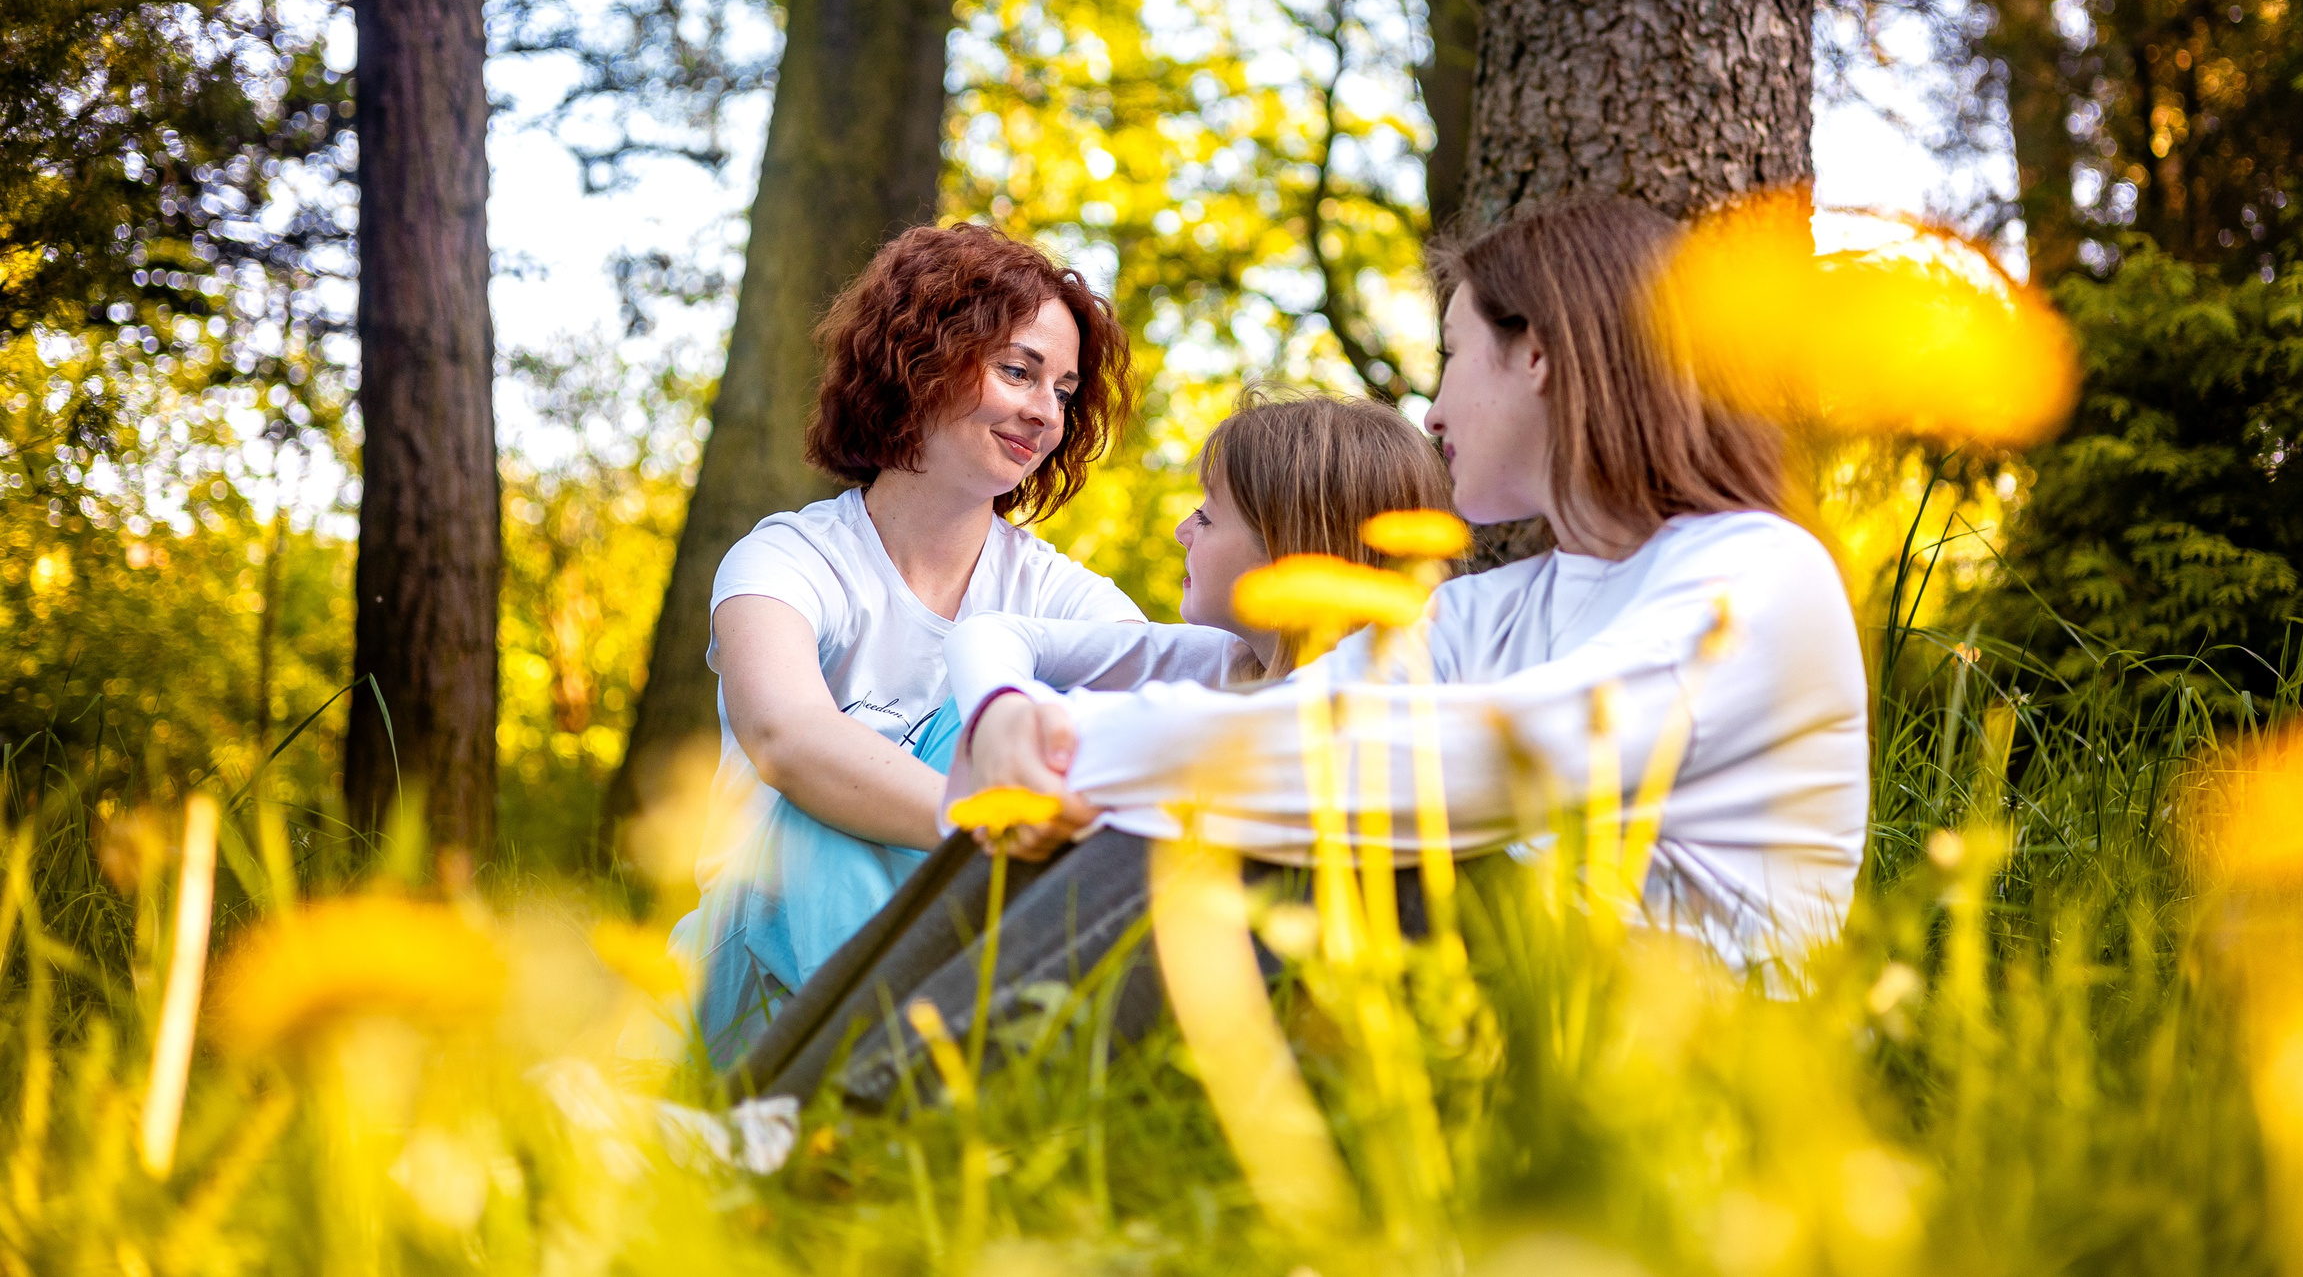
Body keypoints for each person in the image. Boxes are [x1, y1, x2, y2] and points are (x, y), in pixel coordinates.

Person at [739, 195, 1871, 1109]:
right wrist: (1007, 725)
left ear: (1541, 358)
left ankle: (838, 1138)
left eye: (1450, 355)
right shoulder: (1500, 608)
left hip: (1689, 1056)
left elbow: (1490, 766)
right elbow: (1283, 724)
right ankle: (763, 1116)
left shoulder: (1755, 573)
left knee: (1257, 821)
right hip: (1484, 997)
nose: (1431, 413)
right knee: (1216, 796)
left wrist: (1072, 748)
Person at [668, 223, 1139, 1066]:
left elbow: (1160, 714)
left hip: (947, 962)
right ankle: (903, 1086)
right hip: (754, 978)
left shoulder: (1057, 594)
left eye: (1064, 391)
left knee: (1042, 701)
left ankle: (920, 1091)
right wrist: (988, 822)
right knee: (829, 804)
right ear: (920, 360)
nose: (1045, 412)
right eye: (1019, 370)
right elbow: (789, 739)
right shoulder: (783, 562)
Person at [935, 388, 1459, 805]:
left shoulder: (1385, 718)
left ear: (1289, 552)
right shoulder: (1230, 659)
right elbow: (991, 632)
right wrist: (998, 714)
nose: (1183, 531)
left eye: (1206, 516)